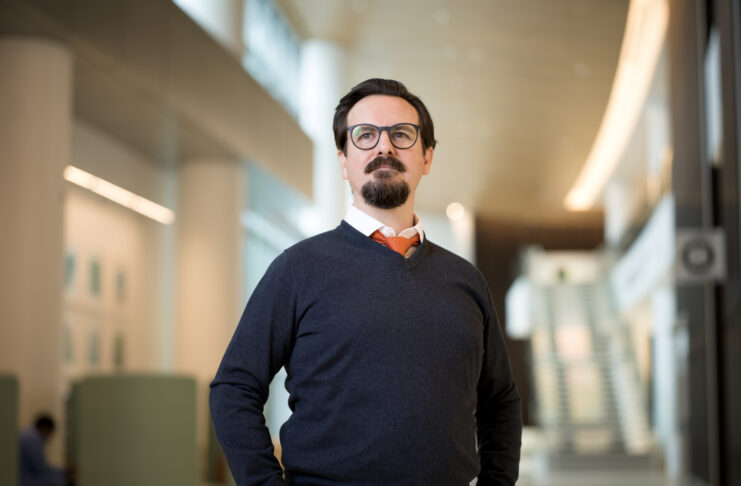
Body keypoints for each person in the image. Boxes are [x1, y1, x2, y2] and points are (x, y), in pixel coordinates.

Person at [210, 78, 522, 485]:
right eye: (365, 135)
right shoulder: (297, 269)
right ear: (343, 160)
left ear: (427, 157)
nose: (384, 147)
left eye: (402, 135)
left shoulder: (467, 281)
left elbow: (500, 401)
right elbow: (234, 388)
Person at [19, 414, 66, 486]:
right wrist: (64, 473)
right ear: (45, 428)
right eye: (50, 433)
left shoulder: (28, 435)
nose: (49, 437)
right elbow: (40, 468)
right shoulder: (32, 439)